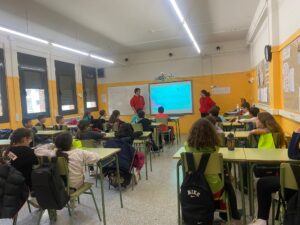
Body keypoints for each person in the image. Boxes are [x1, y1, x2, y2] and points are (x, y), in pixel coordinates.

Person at [184, 118, 241, 222]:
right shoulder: (214, 148)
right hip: (214, 189)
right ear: (211, 132)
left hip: (193, 186)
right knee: (228, 184)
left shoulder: (187, 147)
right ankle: (232, 213)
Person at [248, 128, 300, 225]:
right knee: (263, 183)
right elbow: (293, 155)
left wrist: (297, 133)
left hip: (295, 187)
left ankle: (262, 219)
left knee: (262, 183)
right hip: (295, 184)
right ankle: (262, 219)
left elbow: (292, 154)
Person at [35, 132, 101, 190]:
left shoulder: (53, 153)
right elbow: (97, 157)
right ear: (71, 143)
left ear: (56, 144)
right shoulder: (79, 153)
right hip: (75, 185)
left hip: (58, 185)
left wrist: (52, 145)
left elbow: (37, 150)